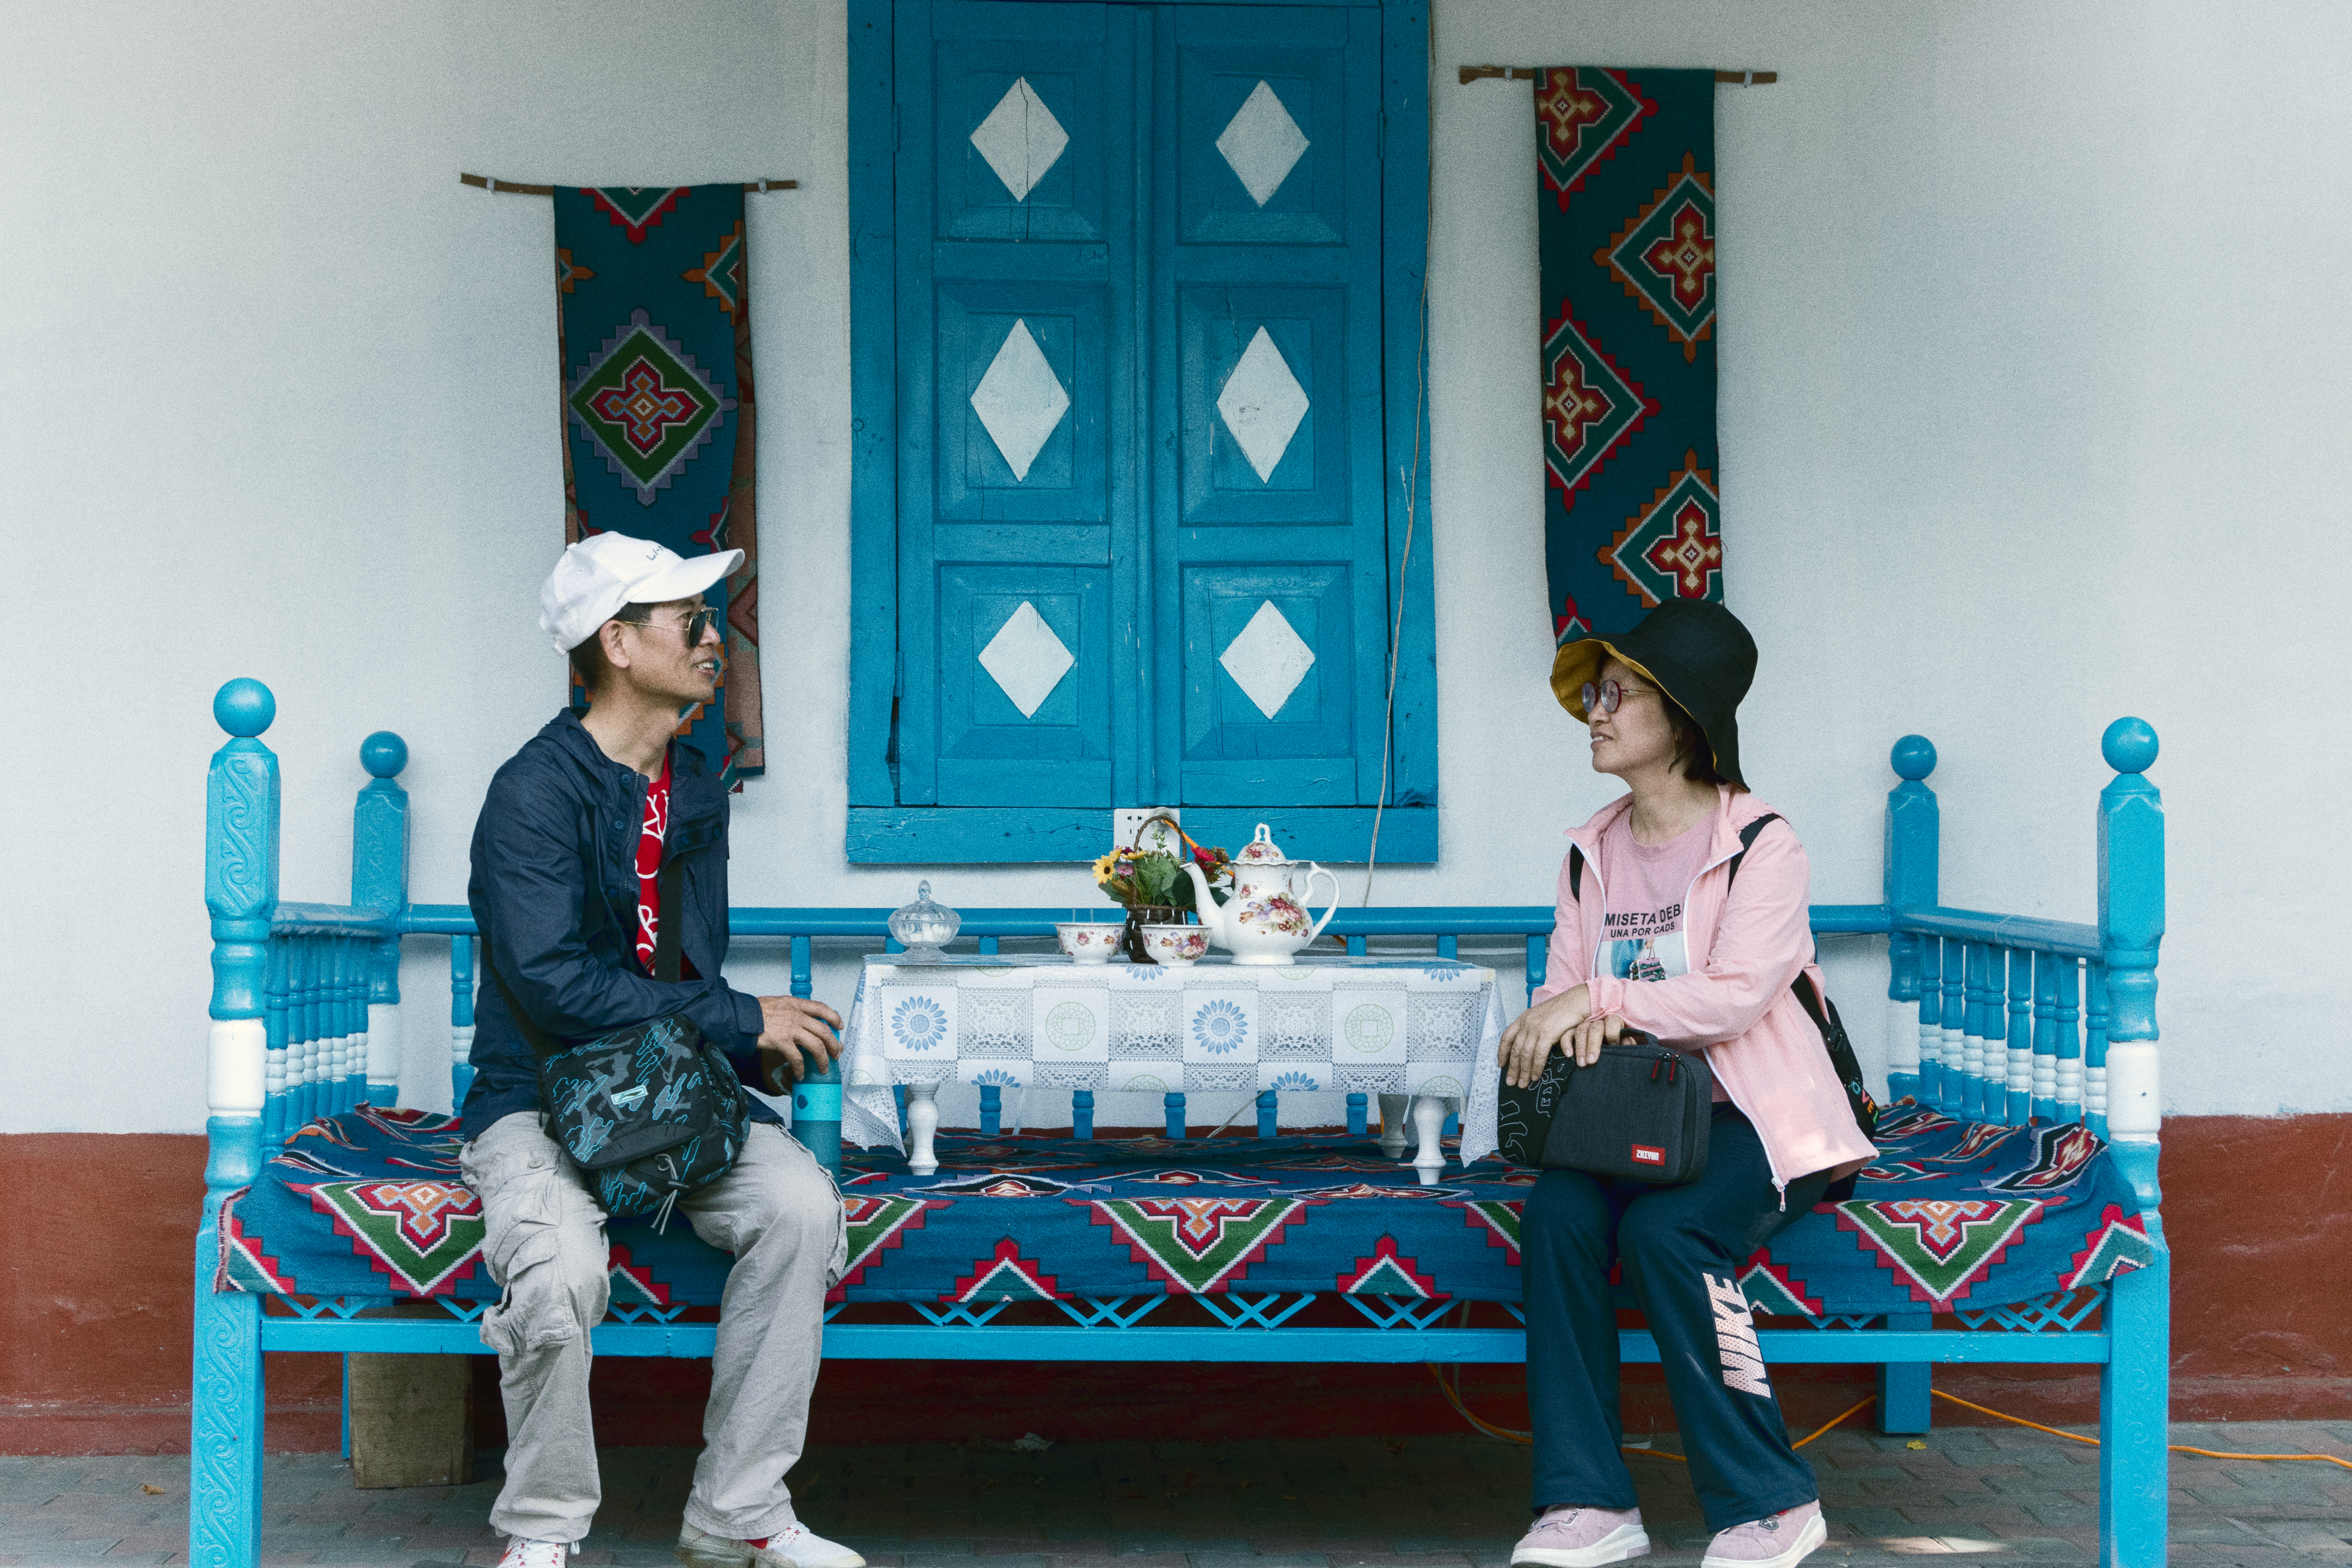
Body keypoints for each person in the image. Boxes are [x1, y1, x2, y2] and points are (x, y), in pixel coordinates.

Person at [460, 532, 861, 1568]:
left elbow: (685, 963)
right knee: (555, 1274)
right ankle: (543, 1534)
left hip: (671, 1093)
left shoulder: (691, 784)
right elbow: (551, 984)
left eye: (710, 616)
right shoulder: (533, 795)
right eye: (688, 619)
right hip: (538, 1096)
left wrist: (750, 1050)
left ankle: (739, 1512)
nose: (712, 635)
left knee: (801, 1209)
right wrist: (738, 1020)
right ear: (618, 643)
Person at [1497, 601, 1875, 1568]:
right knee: (1559, 1218)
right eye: (1594, 694)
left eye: (1617, 695)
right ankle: (1589, 1501)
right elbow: (1561, 993)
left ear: (1684, 714)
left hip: (1757, 1117)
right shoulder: (1591, 849)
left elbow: (1735, 997)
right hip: (1626, 1117)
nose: (1595, 712)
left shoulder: (1762, 843)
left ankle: (1772, 1500)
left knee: (1668, 1234)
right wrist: (1573, 1010)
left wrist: (1600, 999)